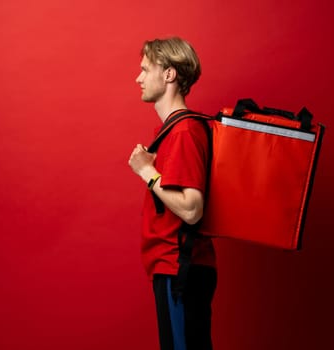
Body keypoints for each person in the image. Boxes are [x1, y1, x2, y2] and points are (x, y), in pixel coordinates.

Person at [128, 37, 217, 350]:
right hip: (175, 268)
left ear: (169, 75)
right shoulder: (172, 131)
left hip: (180, 269)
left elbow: (192, 209)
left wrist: (147, 172)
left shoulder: (183, 132)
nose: (138, 78)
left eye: (145, 69)